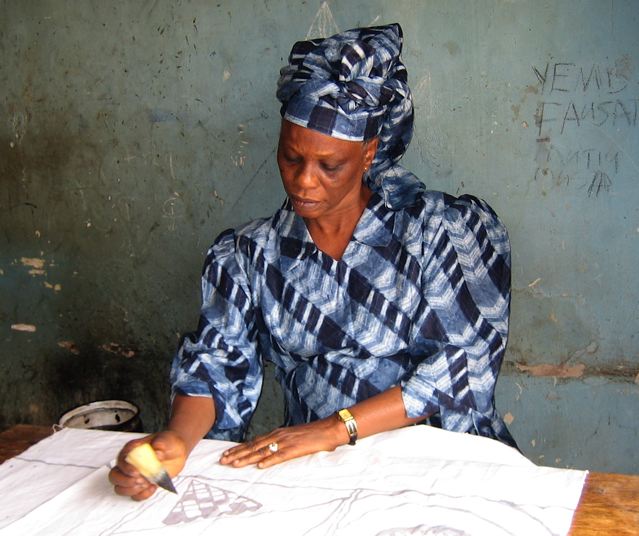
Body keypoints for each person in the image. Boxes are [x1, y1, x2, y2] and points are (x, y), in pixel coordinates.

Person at [109, 23, 516, 501]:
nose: (304, 182)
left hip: (443, 471)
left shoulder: (441, 232)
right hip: (318, 477)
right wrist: (176, 440)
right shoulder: (250, 256)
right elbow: (218, 363)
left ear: (368, 153)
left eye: (330, 166)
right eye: (290, 158)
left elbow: (465, 367)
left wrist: (334, 428)